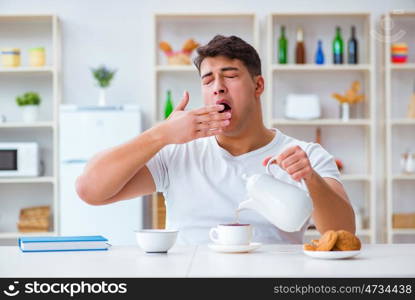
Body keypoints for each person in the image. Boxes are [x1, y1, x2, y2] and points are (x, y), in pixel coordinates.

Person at [76, 35, 355, 245]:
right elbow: (90, 190)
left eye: (230, 76)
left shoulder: (304, 155)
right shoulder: (178, 152)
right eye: (207, 80)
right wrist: (160, 134)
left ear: (258, 86)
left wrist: (310, 178)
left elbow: (343, 234)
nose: (218, 86)